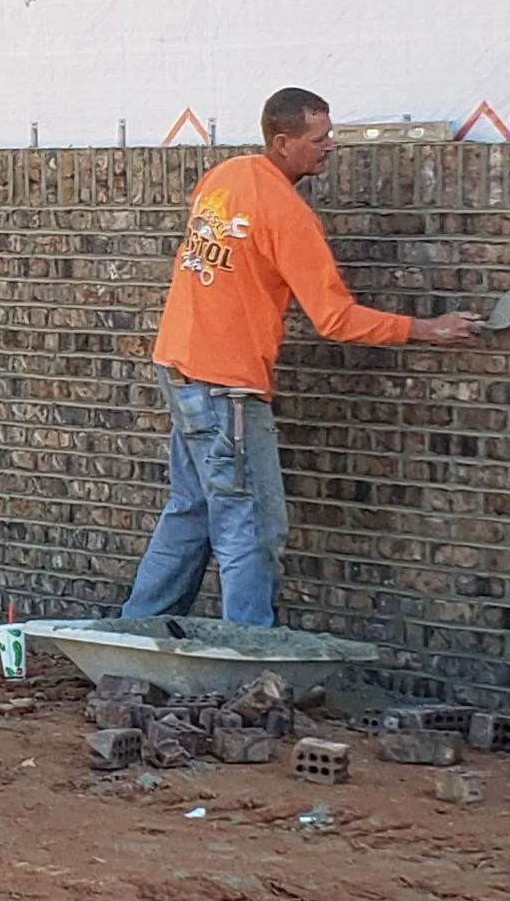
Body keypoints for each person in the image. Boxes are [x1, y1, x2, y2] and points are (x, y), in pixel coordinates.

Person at [122, 87, 479, 625]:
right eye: (319, 139)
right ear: (283, 142)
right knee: (251, 528)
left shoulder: (224, 177)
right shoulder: (289, 217)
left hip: (178, 366)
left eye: (330, 135)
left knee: (191, 513)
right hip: (227, 388)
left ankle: (135, 635)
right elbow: (335, 319)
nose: (330, 146)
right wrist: (426, 329)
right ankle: (248, 653)